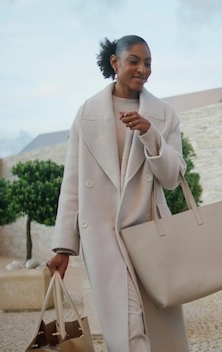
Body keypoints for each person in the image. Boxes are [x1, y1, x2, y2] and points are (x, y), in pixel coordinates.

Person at [46, 35, 189, 352]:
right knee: (128, 331)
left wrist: (150, 134)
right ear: (115, 63)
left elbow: (171, 179)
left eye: (148, 63)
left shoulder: (164, 115)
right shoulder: (86, 114)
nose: (143, 70)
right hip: (103, 236)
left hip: (149, 232)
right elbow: (72, 183)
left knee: (158, 331)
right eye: (134, 61)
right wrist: (64, 247)